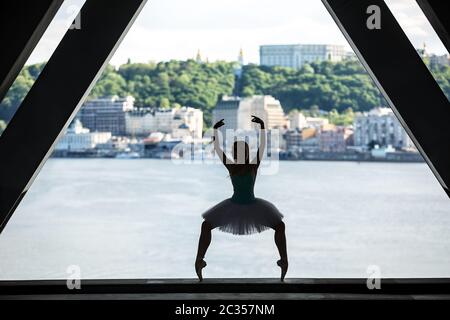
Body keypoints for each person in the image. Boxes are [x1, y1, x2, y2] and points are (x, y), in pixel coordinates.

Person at [195, 116, 288, 281]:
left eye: (241, 150)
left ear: (245, 152)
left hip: (252, 205)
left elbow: (262, 146)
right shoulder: (232, 166)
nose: (238, 152)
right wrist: (215, 131)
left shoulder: (253, 164)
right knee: (206, 226)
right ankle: (199, 260)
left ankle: (283, 261)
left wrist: (262, 127)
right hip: (235, 205)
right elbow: (217, 149)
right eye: (236, 150)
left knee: (280, 226)